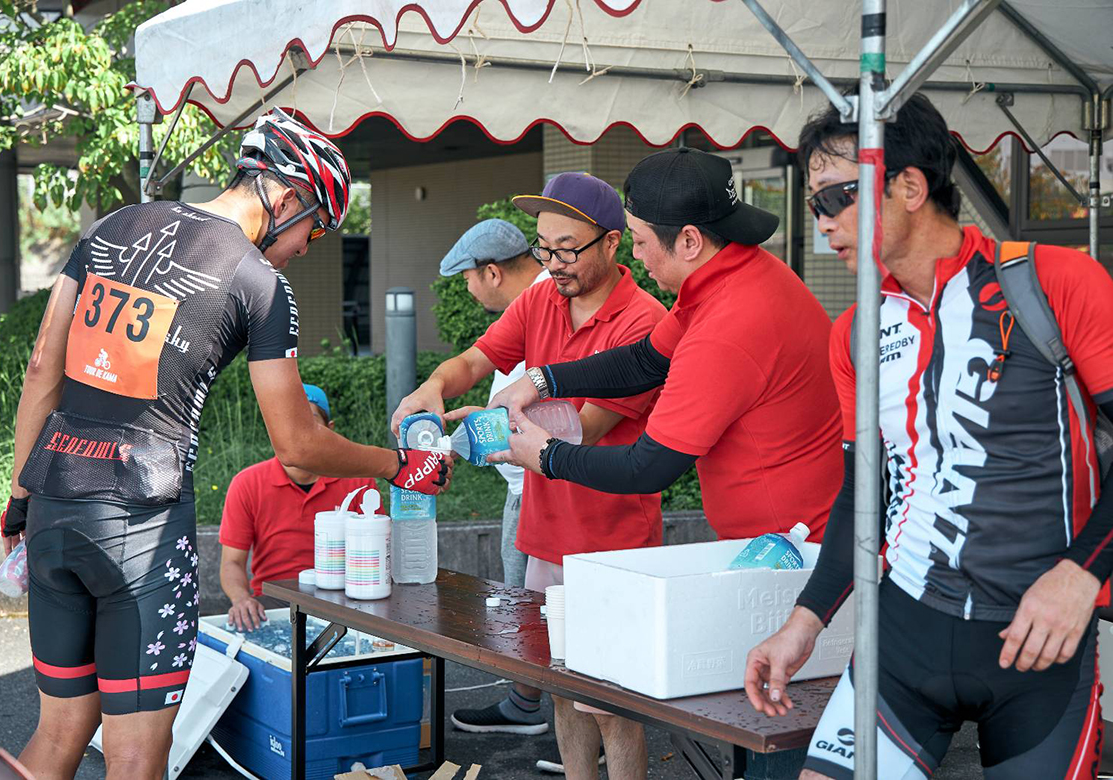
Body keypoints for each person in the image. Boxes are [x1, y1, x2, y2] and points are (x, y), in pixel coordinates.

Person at [0, 107, 451, 780]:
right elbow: (297, 446)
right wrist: (399, 466)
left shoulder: (112, 226)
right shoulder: (258, 283)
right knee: (133, 758)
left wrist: (19, 501)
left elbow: (43, 367)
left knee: (59, 732)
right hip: (141, 525)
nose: (307, 247)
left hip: (55, 502)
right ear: (287, 195)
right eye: (315, 229)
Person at [742, 93, 1113, 780]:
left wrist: (1080, 575)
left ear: (909, 186)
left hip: (1038, 645)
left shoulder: (1054, 283)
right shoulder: (855, 331)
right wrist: (806, 621)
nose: (821, 222)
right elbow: (864, 495)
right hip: (904, 637)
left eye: (836, 198)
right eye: (814, 203)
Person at [487, 148, 843, 779]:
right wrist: (541, 378)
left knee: (777, 743)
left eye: (643, 242)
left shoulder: (730, 323)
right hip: (771, 550)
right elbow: (644, 361)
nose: (637, 258)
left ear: (687, 240)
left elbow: (647, 467)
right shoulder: (730, 276)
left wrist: (546, 455)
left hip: (799, 561)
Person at [390, 172, 666, 780]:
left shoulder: (645, 323)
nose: (553, 263)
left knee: (614, 702)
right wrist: (434, 388)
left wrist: (482, 433)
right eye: (544, 247)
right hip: (546, 530)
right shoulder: (541, 298)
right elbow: (477, 358)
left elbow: (582, 430)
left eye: (568, 248)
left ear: (613, 245)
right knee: (560, 684)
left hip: (613, 538)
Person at [437, 219, 550, 594]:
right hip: (530, 487)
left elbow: (549, 410)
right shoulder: (533, 303)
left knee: (528, 623)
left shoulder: (545, 303)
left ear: (491, 272)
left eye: (467, 278)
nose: (468, 289)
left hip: (539, 493)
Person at [220, 383, 376, 630]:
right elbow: (232, 563)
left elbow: (378, 555)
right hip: (273, 603)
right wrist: (241, 600)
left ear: (329, 430)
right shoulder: (247, 483)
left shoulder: (359, 480)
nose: (296, 433)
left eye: (309, 422)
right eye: (286, 423)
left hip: (346, 600)